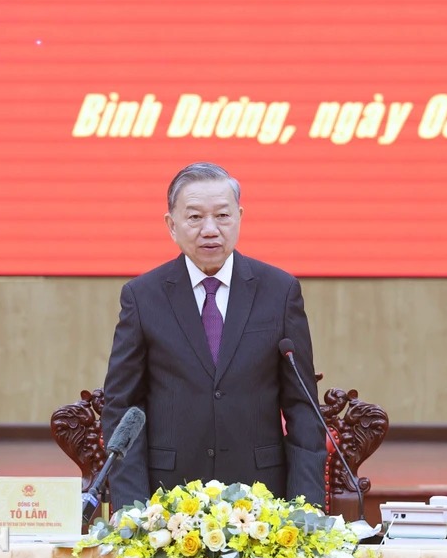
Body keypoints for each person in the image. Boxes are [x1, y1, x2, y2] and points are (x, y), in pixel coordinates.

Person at [101, 161, 326, 511]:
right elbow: (122, 406)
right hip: (168, 501)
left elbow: (302, 407)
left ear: (239, 217)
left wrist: (305, 508)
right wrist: (132, 510)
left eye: (222, 216)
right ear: (171, 225)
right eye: (194, 218)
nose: (210, 230)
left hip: (262, 501)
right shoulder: (143, 297)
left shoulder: (279, 291)